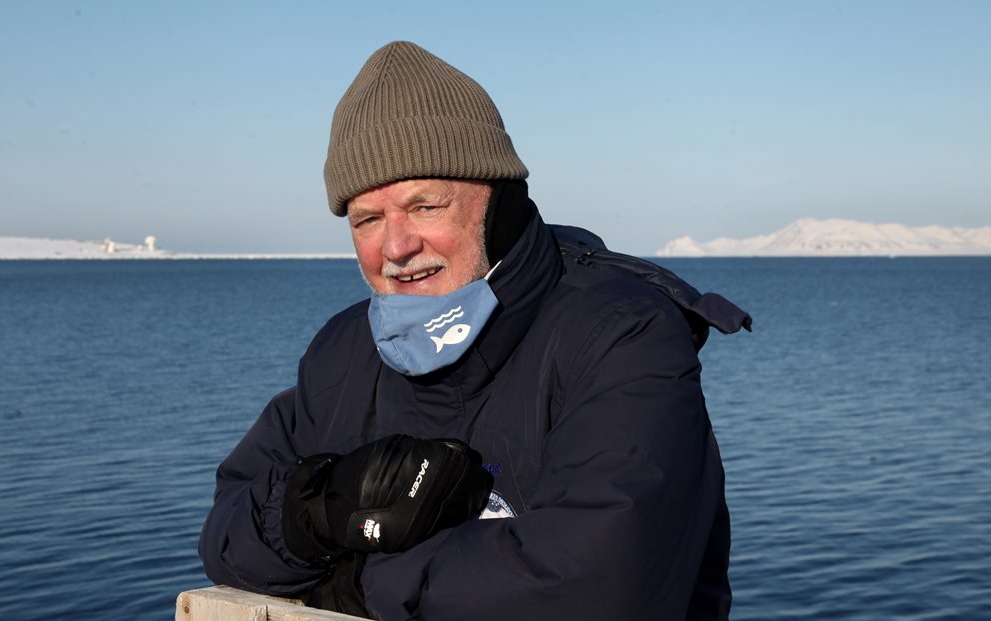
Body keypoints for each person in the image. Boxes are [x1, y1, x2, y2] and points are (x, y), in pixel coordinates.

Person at [199, 40, 751, 620]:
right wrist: (317, 511)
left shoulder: (621, 335)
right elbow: (225, 535)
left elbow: (600, 582)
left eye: (425, 206)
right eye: (368, 219)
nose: (396, 246)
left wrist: (361, 579)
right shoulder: (342, 353)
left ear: (497, 204)